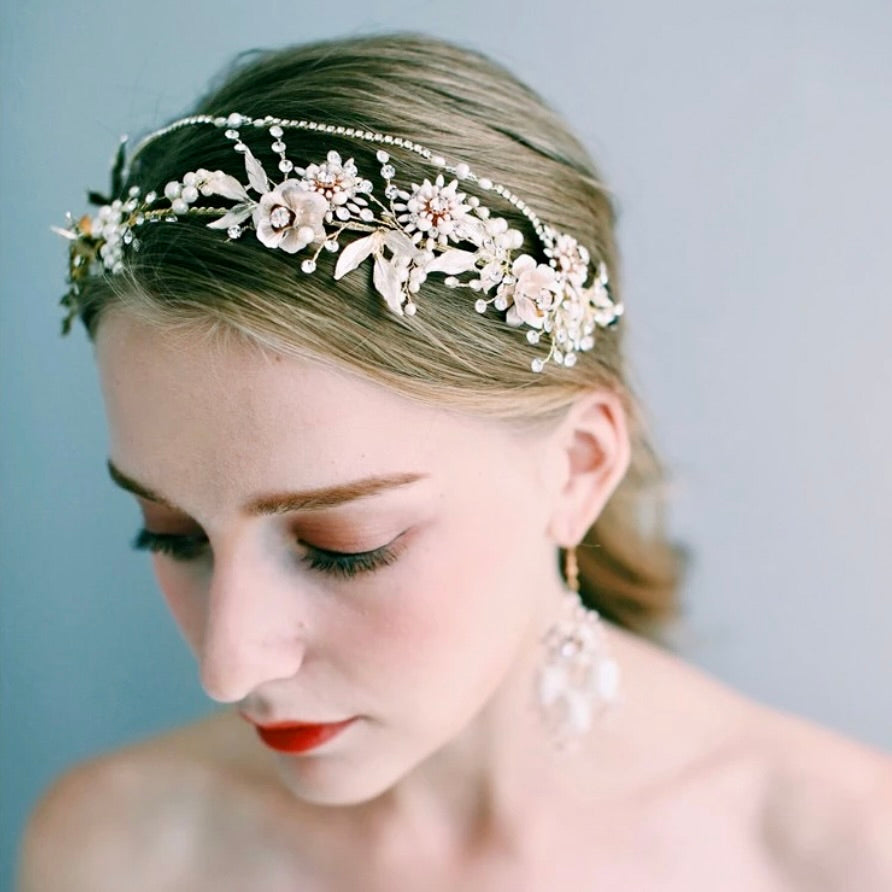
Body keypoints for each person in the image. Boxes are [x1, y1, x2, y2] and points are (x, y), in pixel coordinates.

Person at [18, 31, 891, 892]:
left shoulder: (841, 857)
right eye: (171, 536)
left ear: (579, 468)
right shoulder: (119, 850)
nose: (230, 666)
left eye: (344, 544)